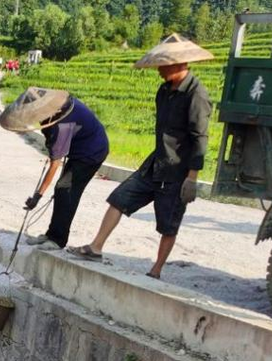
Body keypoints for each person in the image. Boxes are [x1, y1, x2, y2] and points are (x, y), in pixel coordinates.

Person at [67, 34, 213, 279]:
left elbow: (200, 137)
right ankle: (96, 247)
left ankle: (156, 269)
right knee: (118, 198)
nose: (158, 71)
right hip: (155, 163)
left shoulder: (196, 94)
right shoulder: (164, 91)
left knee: (169, 223)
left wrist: (192, 177)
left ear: (178, 64)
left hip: (177, 171)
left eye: (162, 66)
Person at [0, 87, 110, 250]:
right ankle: (51, 234)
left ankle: (58, 240)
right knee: (62, 189)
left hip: (92, 153)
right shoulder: (57, 110)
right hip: (80, 149)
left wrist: (38, 195)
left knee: (66, 190)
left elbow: (55, 164)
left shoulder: (63, 125)